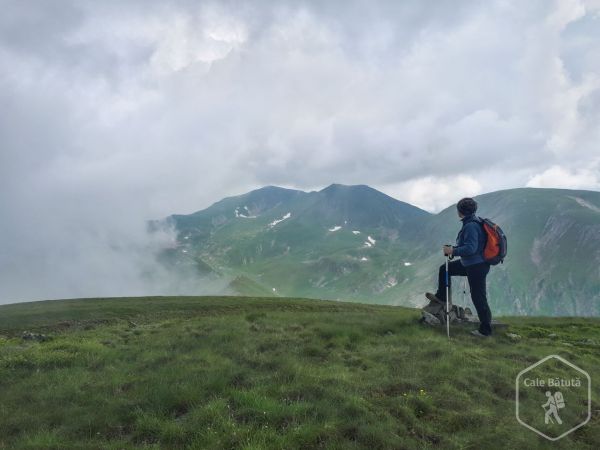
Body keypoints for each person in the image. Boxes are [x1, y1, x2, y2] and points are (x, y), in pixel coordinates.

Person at [425, 197, 493, 337]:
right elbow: (470, 246)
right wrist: (454, 249)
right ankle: (442, 297)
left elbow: (471, 248)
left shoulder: (471, 226)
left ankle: (486, 330)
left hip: (476, 266)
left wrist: (453, 251)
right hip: (472, 264)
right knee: (445, 268)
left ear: (460, 211)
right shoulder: (473, 222)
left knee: (478, 297)